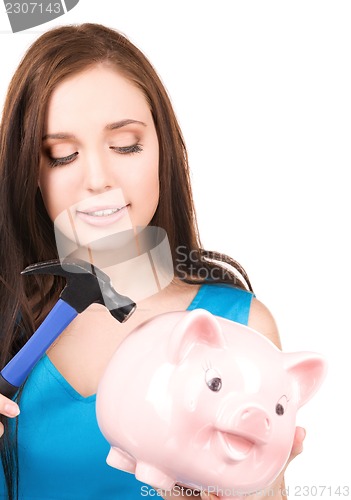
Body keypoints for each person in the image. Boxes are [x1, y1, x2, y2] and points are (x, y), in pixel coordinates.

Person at [0, 23, 304, 500]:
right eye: (62, 155)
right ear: (31, 173)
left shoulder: (242, 329)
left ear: (163, 150)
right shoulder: (4, 322)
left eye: (125, 145)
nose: (98, 178)